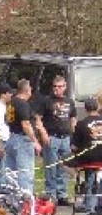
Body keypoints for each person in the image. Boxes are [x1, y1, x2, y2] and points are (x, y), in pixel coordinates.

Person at [34, 75, 77, 206]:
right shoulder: (46, 101)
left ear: (65, 87)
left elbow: (73, 118)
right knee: (51, 166)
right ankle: (51, 194)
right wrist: (43, 133)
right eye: (55, 86)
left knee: (64, 166)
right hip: (52, 137)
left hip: (65, 137)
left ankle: (61, 194)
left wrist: (74, 135)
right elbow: (37, 119)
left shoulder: (70, 101)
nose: (57, 89)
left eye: (60, 86)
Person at [4, 79, 42, 195]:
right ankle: (26, 200)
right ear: (27, 90)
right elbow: (25, 125)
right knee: (25, 173)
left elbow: (7, 120)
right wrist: (35, 141)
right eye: (30, 89)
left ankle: (11, 198)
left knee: (11, 173)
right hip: (22, 140)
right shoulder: (23, 104)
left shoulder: (11, 102)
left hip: (11, 137)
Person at [70, 97, 102, 212]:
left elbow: (74, 146)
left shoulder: (81, 124)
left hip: (89, 157)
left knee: (64, 160)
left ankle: (88, 203)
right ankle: (97, 201)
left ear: (85, 109)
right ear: (98, 107)